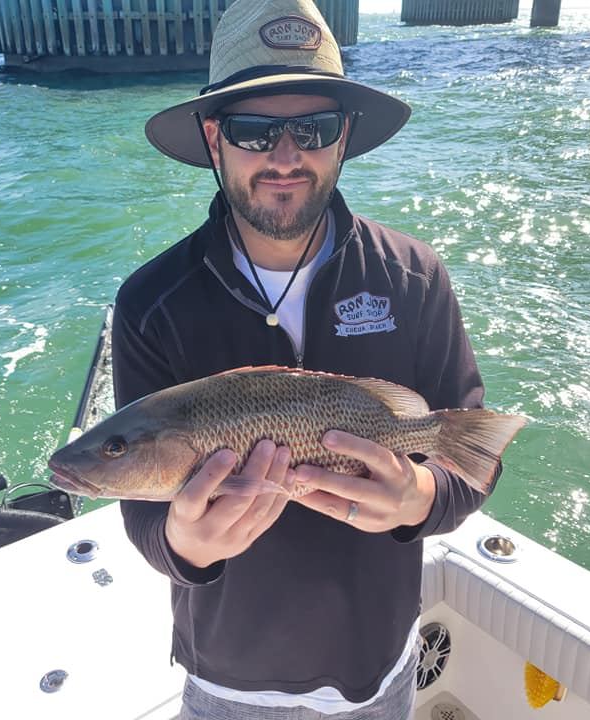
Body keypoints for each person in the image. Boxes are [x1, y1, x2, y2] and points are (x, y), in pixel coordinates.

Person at [111, 1, 497, 717]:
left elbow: (469, 456)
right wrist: (183, 541)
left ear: (343, 137)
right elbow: (141, 507)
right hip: (230, 673)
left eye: (312, 129)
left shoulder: (414, 276)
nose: (285, 158)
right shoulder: (150, 303)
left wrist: (420, 499)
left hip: (377, 663)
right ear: (214, 135)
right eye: (256, 131)